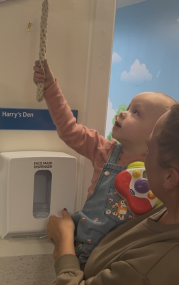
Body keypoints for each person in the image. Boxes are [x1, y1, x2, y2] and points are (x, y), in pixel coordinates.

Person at [33, 60, 176, 263]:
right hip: (82, 247)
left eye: (136, 112)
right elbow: (68, 129)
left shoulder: (159, 173)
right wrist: (50, 88)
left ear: (156, 134)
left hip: (121, 255)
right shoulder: (104, 150)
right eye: (128, 107)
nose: (124, 112)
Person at [46, 104, 179, 284]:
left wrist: (64, 242)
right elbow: (69, 129)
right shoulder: (166, 208)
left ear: (170, 177)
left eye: (149, 148)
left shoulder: (149, 269)